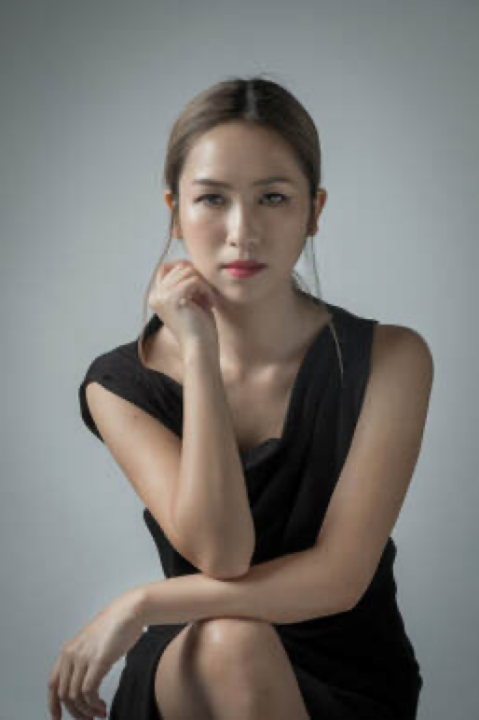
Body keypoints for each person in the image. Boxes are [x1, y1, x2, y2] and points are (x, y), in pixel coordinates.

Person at [48, 75, 434, 720]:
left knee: (237, 639)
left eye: (272, 197)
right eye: (212, 199)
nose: (241, 231)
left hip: (350, 672)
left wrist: (140, 604)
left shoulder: (393, 359)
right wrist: (200, 352)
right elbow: (222, 553)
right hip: (200, 659)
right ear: (174, 212)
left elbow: (340, 577)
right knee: (233, 642)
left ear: (314, 211)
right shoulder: (119, 385)